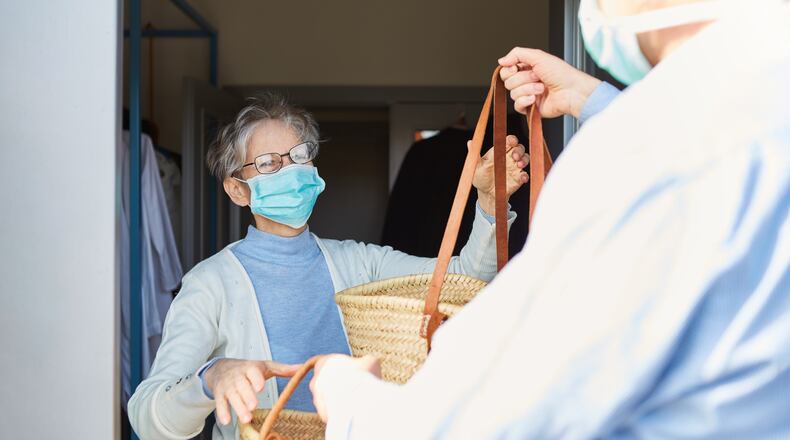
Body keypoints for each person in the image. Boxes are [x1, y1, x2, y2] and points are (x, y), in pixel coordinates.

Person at [310, 0, 790, 438]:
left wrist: (350, 400)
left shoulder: (645, 157)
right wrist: (593, 100)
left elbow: (494, 418)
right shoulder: (754, 107)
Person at [127, 93, 530, 439]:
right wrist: (210, 378)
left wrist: (490, 201)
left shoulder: (360, 263)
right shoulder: (210, 284)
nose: (290, 171)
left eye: (299, 156)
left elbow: (466, 280)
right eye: (268, 164)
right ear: (237, 190)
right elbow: (147, 418)